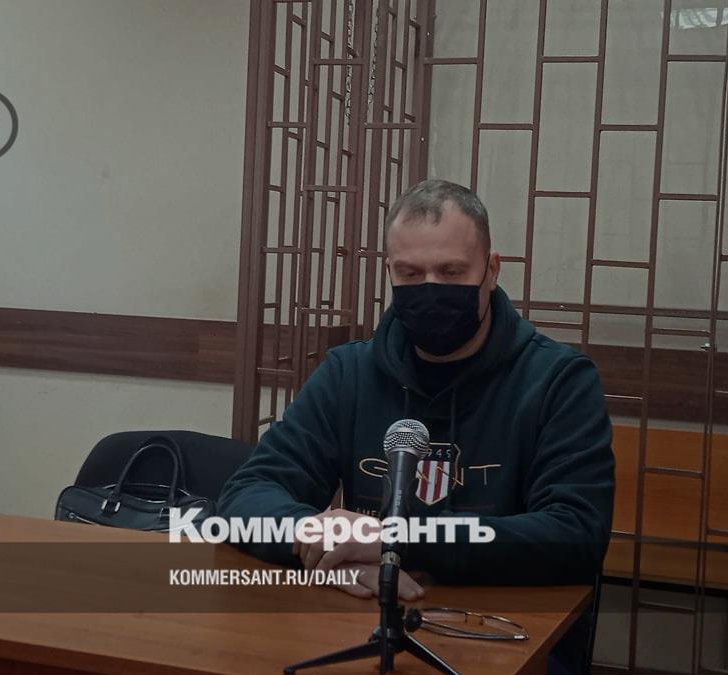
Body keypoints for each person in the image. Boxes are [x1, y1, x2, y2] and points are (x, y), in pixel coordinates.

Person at [218, 178, 614, 670]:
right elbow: (247, 494)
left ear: (491, 270)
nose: (431, 289)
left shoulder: (558, 381)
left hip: (506, 639)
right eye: (410, 273)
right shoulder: (349, 373)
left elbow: (576, 534)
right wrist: (317, 537)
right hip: (367, 625)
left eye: (451, 271)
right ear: (389, 271)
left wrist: (395, 542)